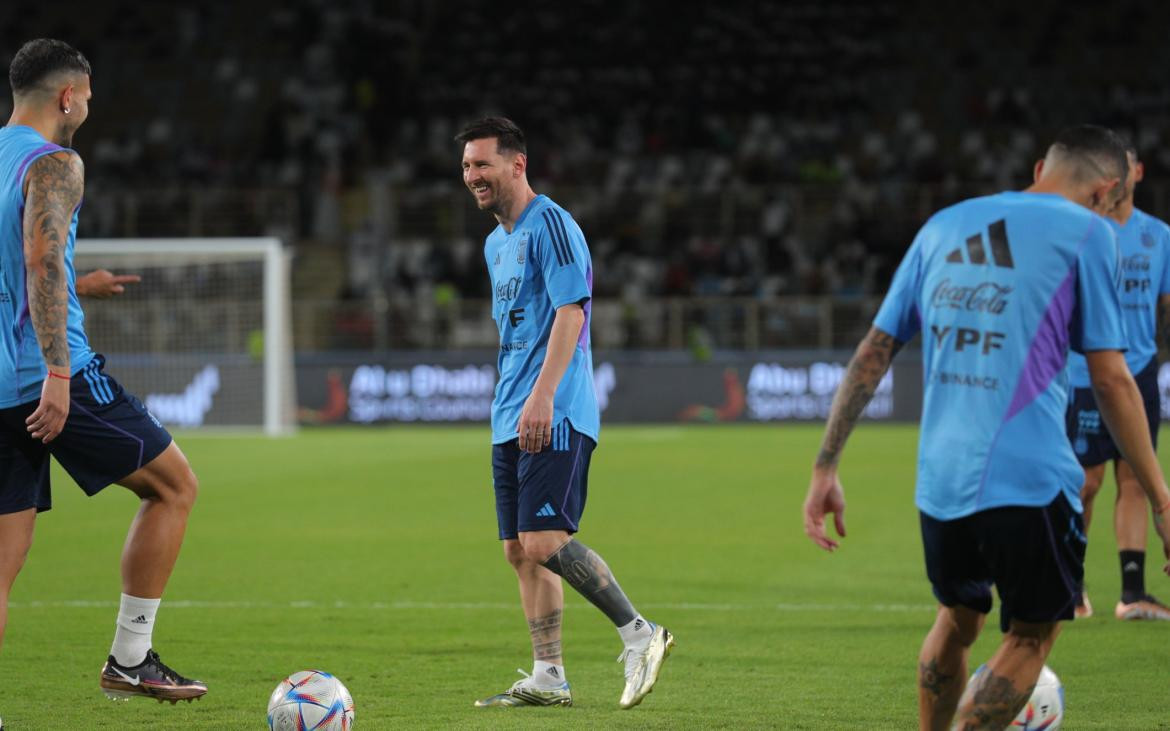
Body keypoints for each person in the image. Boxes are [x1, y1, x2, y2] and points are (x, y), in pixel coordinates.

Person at [802, 125, 1170, 730]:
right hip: (1030, 481)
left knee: (957, 617)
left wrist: (825, 466)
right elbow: (1112, 379)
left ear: (1038, 170)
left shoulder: (944, 224)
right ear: (1109, 190)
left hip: (941, 480)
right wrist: (1159, 497)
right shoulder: (1092, 234)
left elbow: (874, 352)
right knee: (1030, 637)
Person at [0, 38, 207, 710]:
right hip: (49, 376)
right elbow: (38, 254)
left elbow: (26, 267)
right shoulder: (56, 163)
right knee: (174, 486)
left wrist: (73, 282)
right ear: (67, 97)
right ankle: (130, 657)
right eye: (86, 97)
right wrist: (59, 371)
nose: (86, 108)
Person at [457, 117, 673, 710]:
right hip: (512, 412)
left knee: (545, 536)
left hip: (553, 408)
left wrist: (544, 394)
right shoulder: (495, 243)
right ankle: (548, 676)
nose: (473, 176)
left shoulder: (550, 223)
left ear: (517, 164)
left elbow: (570, 314)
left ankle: (640, 633)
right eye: (468, 166)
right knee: (519, 549)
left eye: (484, 164)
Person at [1066, 143, 1170, 621]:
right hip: (1086, 371)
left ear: (1138, 172)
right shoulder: (1082, 231)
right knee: (1086, 481)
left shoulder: (1160, 235)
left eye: (1125, 164)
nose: (1119, 173)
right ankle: (1070, 586)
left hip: (1140, 371)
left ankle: (1132, 593)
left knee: (1135, 479)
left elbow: (1165, 305)